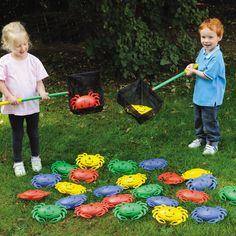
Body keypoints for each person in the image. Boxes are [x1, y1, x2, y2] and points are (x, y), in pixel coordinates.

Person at [0, 22, 49, 176]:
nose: (23, 48)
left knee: (33, 132)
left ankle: (36, 158)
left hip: (32, 104)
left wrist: (42, 92)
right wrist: (9, 96)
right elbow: (1, 82)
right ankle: (18, 162)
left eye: (25, 44)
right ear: (8, 46)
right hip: (14, 105)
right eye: (18, 46)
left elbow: (38, 82)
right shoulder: (5, 62)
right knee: (17, 133)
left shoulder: (33, 61)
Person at [186, 18, 226, 155]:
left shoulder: (217, 57)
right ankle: (201, 138)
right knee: (198, 119)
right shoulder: (203, 51)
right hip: (200, 95)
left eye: (210, 37)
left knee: (209, 120)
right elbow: (198, 65)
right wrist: (192, 66)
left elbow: (208, 76)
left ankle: (213, 142)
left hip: (211, 96)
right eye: (203, 37)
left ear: (219, 37)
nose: (206, 41)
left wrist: (194, 71)